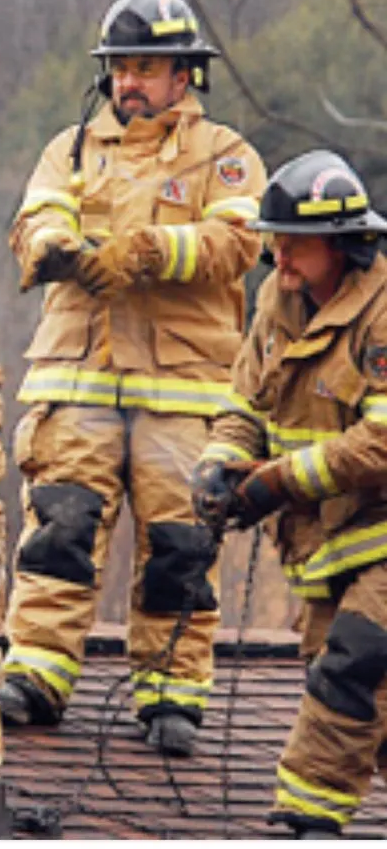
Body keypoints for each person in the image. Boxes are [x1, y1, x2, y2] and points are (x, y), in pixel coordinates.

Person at [0, 0, 268, 758]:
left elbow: (237, 244)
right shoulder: (72, 147)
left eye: (145, 68)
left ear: (186, 76)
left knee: (181, 549)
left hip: (183, 394)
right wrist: (55, 249)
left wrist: (150, 252)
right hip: (75, 381)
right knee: (61, 532)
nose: (128, 83)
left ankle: (170, 698)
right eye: (119, 67)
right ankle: (36, 677)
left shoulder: (226, 157)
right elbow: (36, 215)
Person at [192, 150, 387, 839]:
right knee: (359, 705)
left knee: (353, 662)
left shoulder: (383, 316)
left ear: (343, 244)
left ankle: (305, 822)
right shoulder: (277, 304)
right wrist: (222, 465)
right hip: (325, 549)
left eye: (293, 243)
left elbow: (380, 443)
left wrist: (275, 482)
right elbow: (243, 405)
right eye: (273, 241)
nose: (278, 258)